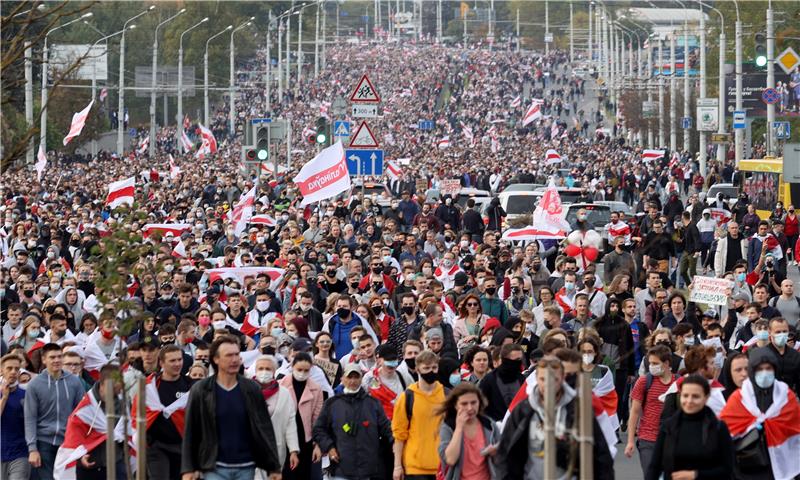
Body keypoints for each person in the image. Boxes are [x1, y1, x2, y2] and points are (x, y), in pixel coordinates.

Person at [495, 356, 614, 480]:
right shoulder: (523, 410)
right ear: (536, 379)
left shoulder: (579, 410)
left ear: (562, 378)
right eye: (543, 379)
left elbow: (601, 454)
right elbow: (505, 453)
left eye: (554, 379)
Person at [181, 336, 282, 480]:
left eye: (237, 355)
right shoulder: (202, 390)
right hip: (213, 467)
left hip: (246, 466)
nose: (234, 359)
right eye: (229, 355)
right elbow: (191, 429)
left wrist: (274, 467)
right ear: (216, 359)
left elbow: (265, 428)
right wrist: (188, 468)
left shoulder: (251, 389)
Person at [721, 349, 800, 480]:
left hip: (785, 465)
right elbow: (724, 433)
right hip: (749, 469)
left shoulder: (786, 396)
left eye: (768, 368)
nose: (764, 373)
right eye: (759, 369)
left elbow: (796, 430)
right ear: (752, 371)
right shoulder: (739, 398)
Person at [313, 363, 394, 480]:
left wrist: (395, 442)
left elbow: (386, 429)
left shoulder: (373, 403)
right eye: (349, 377)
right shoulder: (332, 404)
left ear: (361, 379)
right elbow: (319, 429)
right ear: (342, 379)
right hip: (341, 468)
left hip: (368, 470)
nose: (353, 381)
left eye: (356, 377)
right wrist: (329, 447)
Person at [646, 374, 734, 480]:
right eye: (685, 395)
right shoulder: (668, 426)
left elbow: (728, 469)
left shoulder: (718, 428)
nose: (689, 401)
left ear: (706, 398)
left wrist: (696, 475)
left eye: (695, 396)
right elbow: (654, 466)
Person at [24, 343, 84, 480]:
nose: (56, 360)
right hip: (43, 442)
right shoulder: (35, 384)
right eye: (52, 357)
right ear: (44, 360)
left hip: (68, 442)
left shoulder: (75, 382)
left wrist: (81, 443)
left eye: (59, 356)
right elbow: (30, 418)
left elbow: (81, 414)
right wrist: (32, 449)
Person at [392, 350, 447, 480]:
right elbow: (399, 435)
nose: (431, 371)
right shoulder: (407, 397)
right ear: (417, 369)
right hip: (414, 467)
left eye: (434, 367)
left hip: (442, 465)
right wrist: (397, 466)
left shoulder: (447, 395)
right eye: (426, 368)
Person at [142, 345, 193, 480]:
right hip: (157, 447)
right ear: (161, 363)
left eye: (179, 360)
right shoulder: (150, 386)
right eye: (172, 361)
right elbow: (138, 414)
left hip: (183, 446)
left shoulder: (191, 386)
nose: (177, 364)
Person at [625, 345, 676, 475]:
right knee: (650, 475)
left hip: (671, 439)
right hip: (647, 439)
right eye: (650, 363)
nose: (651, 366)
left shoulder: (678, 383)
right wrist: (630, 441)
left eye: (655, 363)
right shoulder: (644, 381)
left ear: (666, 363)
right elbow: (635, 411)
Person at [437, 383, 500, 480]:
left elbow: (503, 458)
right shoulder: (448, 427)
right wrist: (459, 428)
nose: (470, 408)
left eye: (473, 402)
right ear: (455, 405)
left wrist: (495, 453)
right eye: (464, 404)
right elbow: (450, 459)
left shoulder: (489, 425)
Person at [250, 355, 300, 474]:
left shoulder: (284, 394)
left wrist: (293, 450)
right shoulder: (246, 390)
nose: (264, 372)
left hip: (275, 449)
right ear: (255, 371)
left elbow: (290, 423)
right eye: (261, 368)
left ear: (274, 371)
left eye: (268, 369)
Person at [279, 352, 324, 480]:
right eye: (299, 369)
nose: (302, 373)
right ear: (292, 367)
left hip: (305, 441)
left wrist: (317, 444)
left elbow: (317, 419)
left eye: (306, 370)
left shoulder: (316, 389)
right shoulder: (281, 385)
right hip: (284, 440)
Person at [478, 343, 524, 422]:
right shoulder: (489, 380)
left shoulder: (522, 379)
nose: (519, 363)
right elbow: (480, 406)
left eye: (520, 360)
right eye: (516, 360)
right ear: (505, 360)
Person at [1, 353, 28, 480]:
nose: (13, 372)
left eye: (16, 369)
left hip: (20, 453)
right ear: (1, 370)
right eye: (9, 368)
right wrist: (4, 397)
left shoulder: (26, 395)